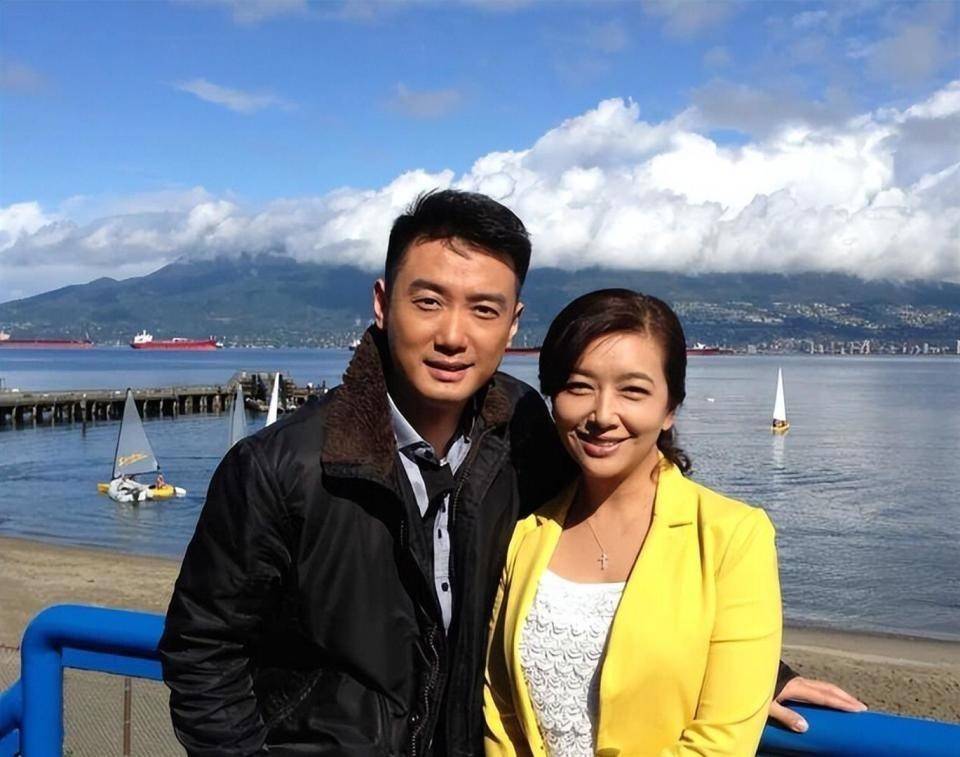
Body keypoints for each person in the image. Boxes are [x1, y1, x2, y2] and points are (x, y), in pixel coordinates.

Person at [160, 191, 862, 756]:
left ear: (513, 322)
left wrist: (753, 672)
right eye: (428, 300)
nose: (453, 334)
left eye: (484, 309)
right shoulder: (279, 467)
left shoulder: (525, 431)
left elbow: (629, 556)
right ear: (381, 303)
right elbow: (201, 651)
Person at [483, 289, 855, 756]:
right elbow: (499, 710)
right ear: (553, 398)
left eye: (633, 391)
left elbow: (720, 743)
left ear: (670, 408)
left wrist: (767, 676)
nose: (603, 414)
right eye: (579, 386)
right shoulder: (526, 535)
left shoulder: (731, 537)